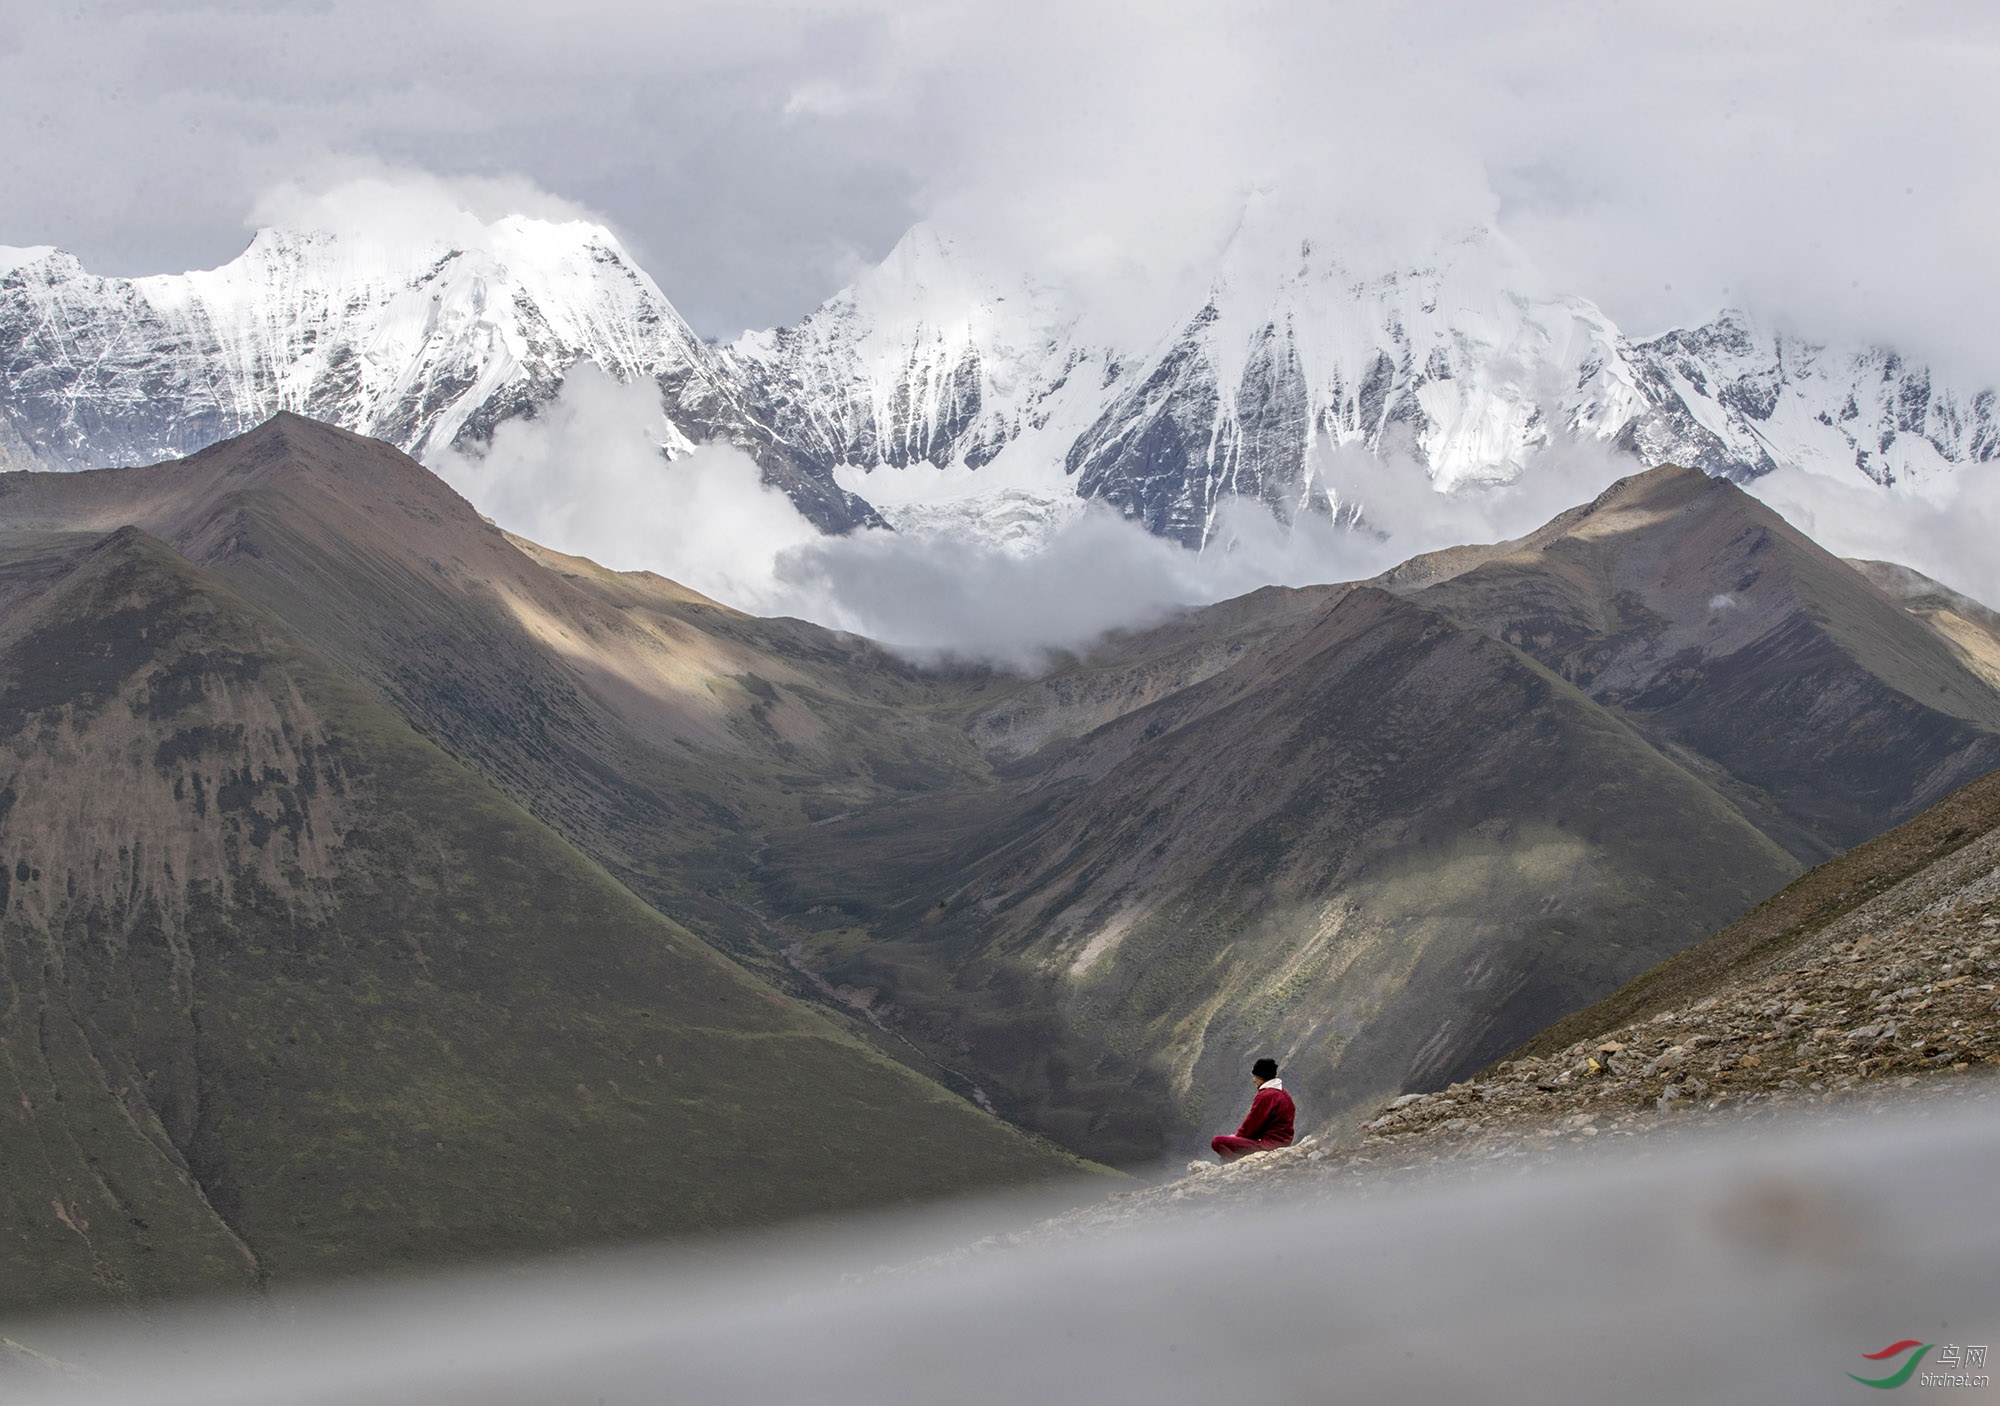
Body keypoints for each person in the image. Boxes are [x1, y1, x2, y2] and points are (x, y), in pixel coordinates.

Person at [1211, 1057, 1295, 1162]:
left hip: (1268, 1145)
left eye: (1256, 1076)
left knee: (1217, 1142)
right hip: (1282, 1142)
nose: (1254, 1080)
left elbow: (1252, 1124)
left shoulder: (1266, 1095)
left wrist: (1237, 1137)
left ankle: (1237, 1163)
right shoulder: (1283, 1093)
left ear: (1262, 1077)